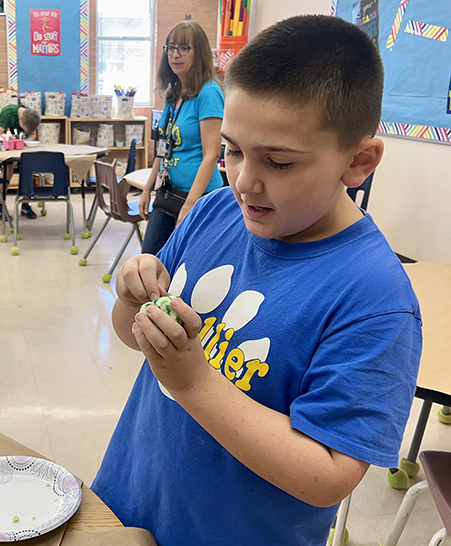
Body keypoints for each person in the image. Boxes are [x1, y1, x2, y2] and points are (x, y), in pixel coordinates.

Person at [91, 15, 422, 546]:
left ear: (359, 162)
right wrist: (132, 299)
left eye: (280, 162)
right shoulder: (213, 213)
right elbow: (130, 332)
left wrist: (195, 381)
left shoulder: (373, 298)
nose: (244, 181)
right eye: (234, 149)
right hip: (129, 503)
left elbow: (330, 475)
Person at [139, 21, 224, 256]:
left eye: (184, 48)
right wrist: (147, 189)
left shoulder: (208, 92)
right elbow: (163, 149)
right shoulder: (173, 93)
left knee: (182, 267)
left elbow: (212, 155)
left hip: (199, 198)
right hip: (167, 192)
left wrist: (190, 205)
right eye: (171, 47)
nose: (175, 54)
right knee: (151, 259)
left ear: (200, 54)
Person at [0, 104, 41, 219]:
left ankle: (25, 204)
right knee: (7, 171)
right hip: (6, 143)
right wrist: (9, 142)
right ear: (20, 118)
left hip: (21, 146)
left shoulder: (31, 117)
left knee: (27, 169)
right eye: (24, 129)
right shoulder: (8, 114)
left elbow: (33, 134)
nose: (26, 131)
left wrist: (25, 141)